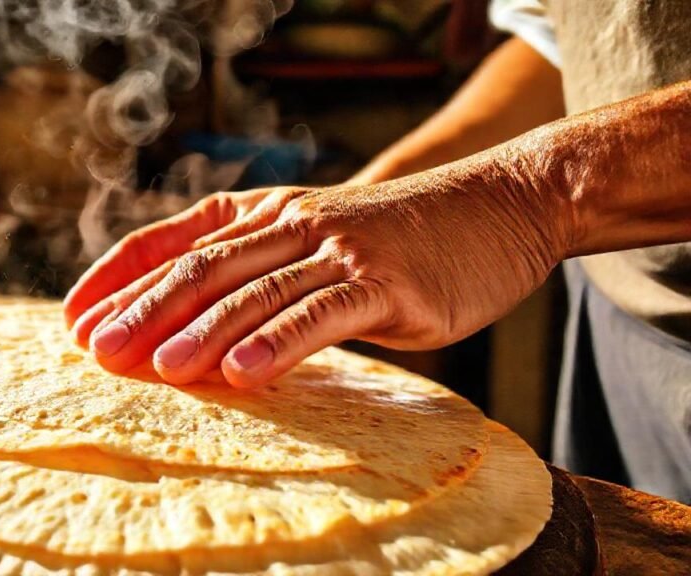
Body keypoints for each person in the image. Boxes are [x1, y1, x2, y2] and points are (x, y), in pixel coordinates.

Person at [63, 0, 691, 503]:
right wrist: (352, 215)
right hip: (616, 325)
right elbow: (568, 50)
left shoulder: (537, 198)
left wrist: (526, 196)